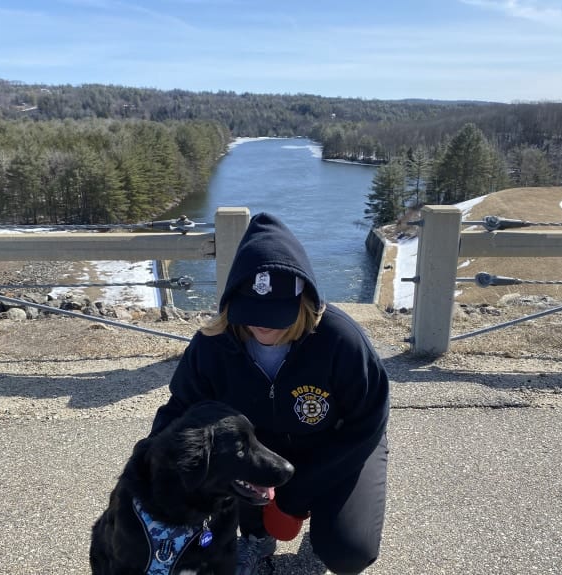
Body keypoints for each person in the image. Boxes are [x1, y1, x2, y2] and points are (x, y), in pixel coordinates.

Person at [150, 212, 390, 575]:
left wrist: (298, 494)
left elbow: (367, 422)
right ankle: (254, 536)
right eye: (251, 311)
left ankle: (327, 514)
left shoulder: (341, 340)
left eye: (277, 314)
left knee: (347, 552)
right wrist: (152, 462)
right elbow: (183, 408)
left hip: (337, 446)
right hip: (260, 456)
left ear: (304, 302)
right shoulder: (213, 345)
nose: (262, 324)